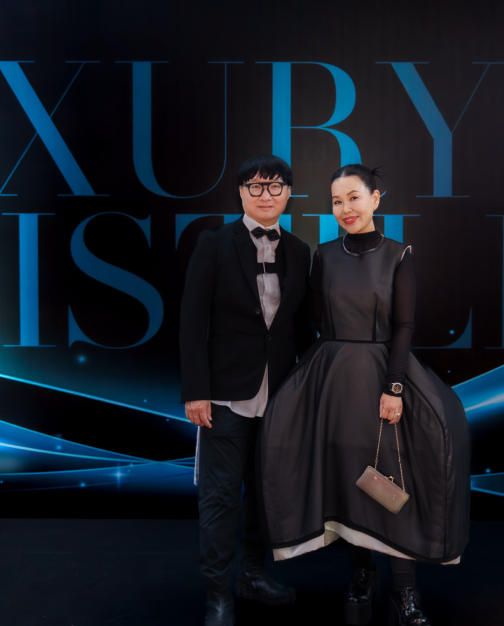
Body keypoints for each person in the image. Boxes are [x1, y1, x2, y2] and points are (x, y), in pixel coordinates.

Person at [257, 164, 471, 626]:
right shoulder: (324, 256)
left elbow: (404, 326)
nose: (345, 209)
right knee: (347, 477)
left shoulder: (398, 254)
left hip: (382, 377)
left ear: (375, 199)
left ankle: (405, 592)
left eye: (354, 197)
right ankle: (362, 575)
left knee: (389, 482)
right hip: (333, 379)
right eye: (337, 201)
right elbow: (315, 319)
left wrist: (394, 387)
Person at [179, 155, 315, 626]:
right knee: (219, 499)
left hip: (280, 397)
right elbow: (192, 320)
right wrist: (195, 391)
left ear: (288, 193)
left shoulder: (299, 250)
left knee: (264, 495)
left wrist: (308, 391)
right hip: (223, 397)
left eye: (275, 186)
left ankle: (253, 576)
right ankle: (218, 593)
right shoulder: (214, 243)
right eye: (255, 186)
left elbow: (303, 329)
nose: (265, 194)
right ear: (240, 193)